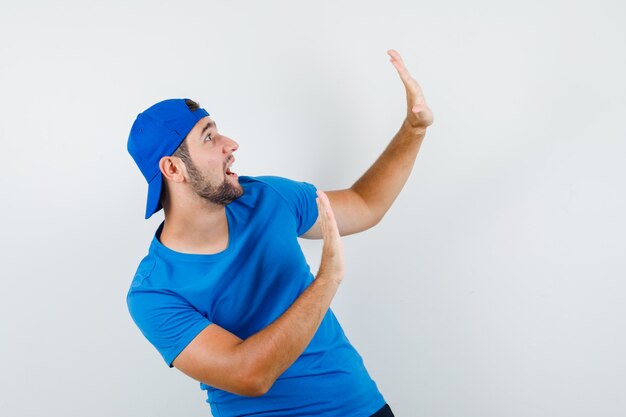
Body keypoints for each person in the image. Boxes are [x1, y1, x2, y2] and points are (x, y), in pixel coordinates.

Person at [126, 49, 433, 417]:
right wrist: (327, 281)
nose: (231, 144)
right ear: (173, 169)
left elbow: (365, 204)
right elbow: (249, 375)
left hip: (362, 408)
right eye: (209, 138)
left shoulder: (267, 198)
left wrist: (413, 130)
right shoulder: (154, 292)